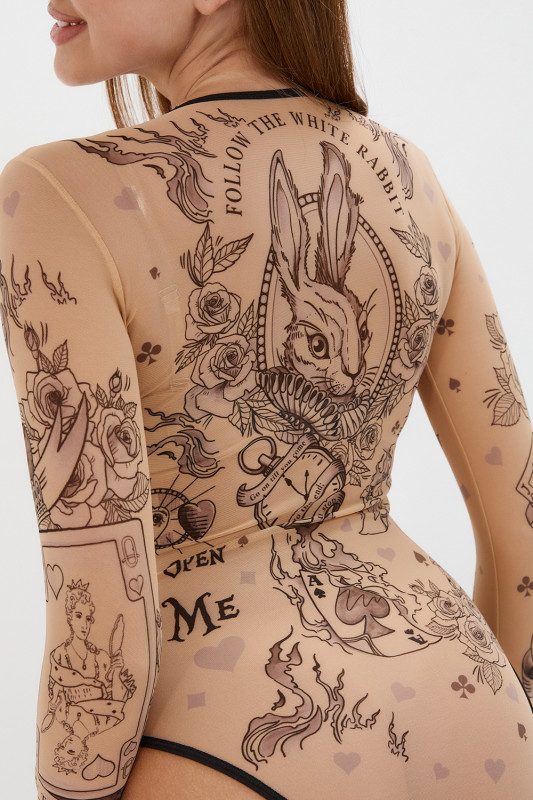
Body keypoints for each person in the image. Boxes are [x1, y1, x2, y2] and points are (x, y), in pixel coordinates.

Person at [0, 1, 531, 798]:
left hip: (231, 746)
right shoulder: (408, 173)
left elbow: (101, 613)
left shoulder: (56, 193)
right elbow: (521, 519)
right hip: (475, 713)